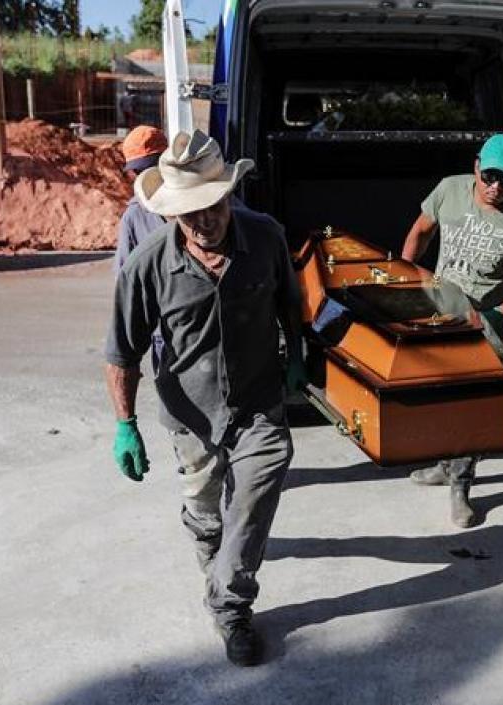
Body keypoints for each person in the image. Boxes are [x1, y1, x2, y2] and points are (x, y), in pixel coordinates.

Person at [104, 130, 307, 667]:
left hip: (258, 401)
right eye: (188, 212)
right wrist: (125, 424)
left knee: (253, 499)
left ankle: (231, 607)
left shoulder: (265, 237)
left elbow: (291, 302)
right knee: (205, 508)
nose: (202, 221)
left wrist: (297, 355)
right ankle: (210, 548)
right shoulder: (147, 264)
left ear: (228, 195)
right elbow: (121, 351)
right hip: (190, 411)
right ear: (170, 211)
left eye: (212, 207)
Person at [399, 133, 503, 528]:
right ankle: (445, 465)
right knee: (438, 396)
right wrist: (406, 278)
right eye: (490, 176)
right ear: (476, 166)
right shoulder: (450, 190)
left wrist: (496, 314)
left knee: (470, 406)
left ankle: (460, 483)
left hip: (488, 323)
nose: (497, 187)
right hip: (441, 312)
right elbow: (421, 231)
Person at [114, 126, 170, 368]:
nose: (145, 175)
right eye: (138, 170)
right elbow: (125, 281)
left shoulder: (202, 202)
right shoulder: (135, 216)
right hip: (165, 334)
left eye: (152, 166)